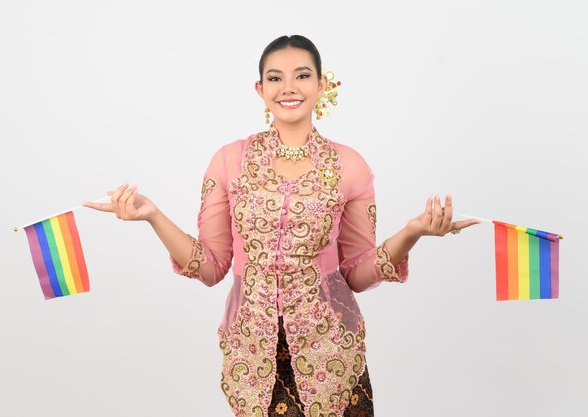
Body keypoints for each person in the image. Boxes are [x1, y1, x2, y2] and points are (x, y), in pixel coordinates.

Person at [84, 35, 478, 417]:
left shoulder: (350, 165)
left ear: (323, 85)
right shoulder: (228, 161)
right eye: (275, 77)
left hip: (332, 353)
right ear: (260, 89)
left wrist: (412, 232)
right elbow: (211, 266)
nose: (288, 87)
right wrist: (153, 214)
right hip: (252, 356)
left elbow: (357, 273)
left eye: (302, 75)